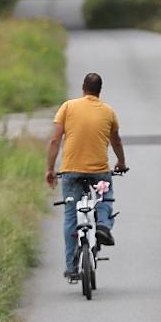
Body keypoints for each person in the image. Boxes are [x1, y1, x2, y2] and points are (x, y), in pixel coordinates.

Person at [46, 72, 128, 281]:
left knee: (71, 217)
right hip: (99, 171)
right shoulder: (108, 112)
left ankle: (72, 268)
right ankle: (102, 226)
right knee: (105, 198)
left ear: (83, 88)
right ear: (99, 91)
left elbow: (55, 140)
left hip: (71, 172)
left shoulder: (68, 107)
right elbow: (116, 141)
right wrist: (121, 162)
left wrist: (50, 169)